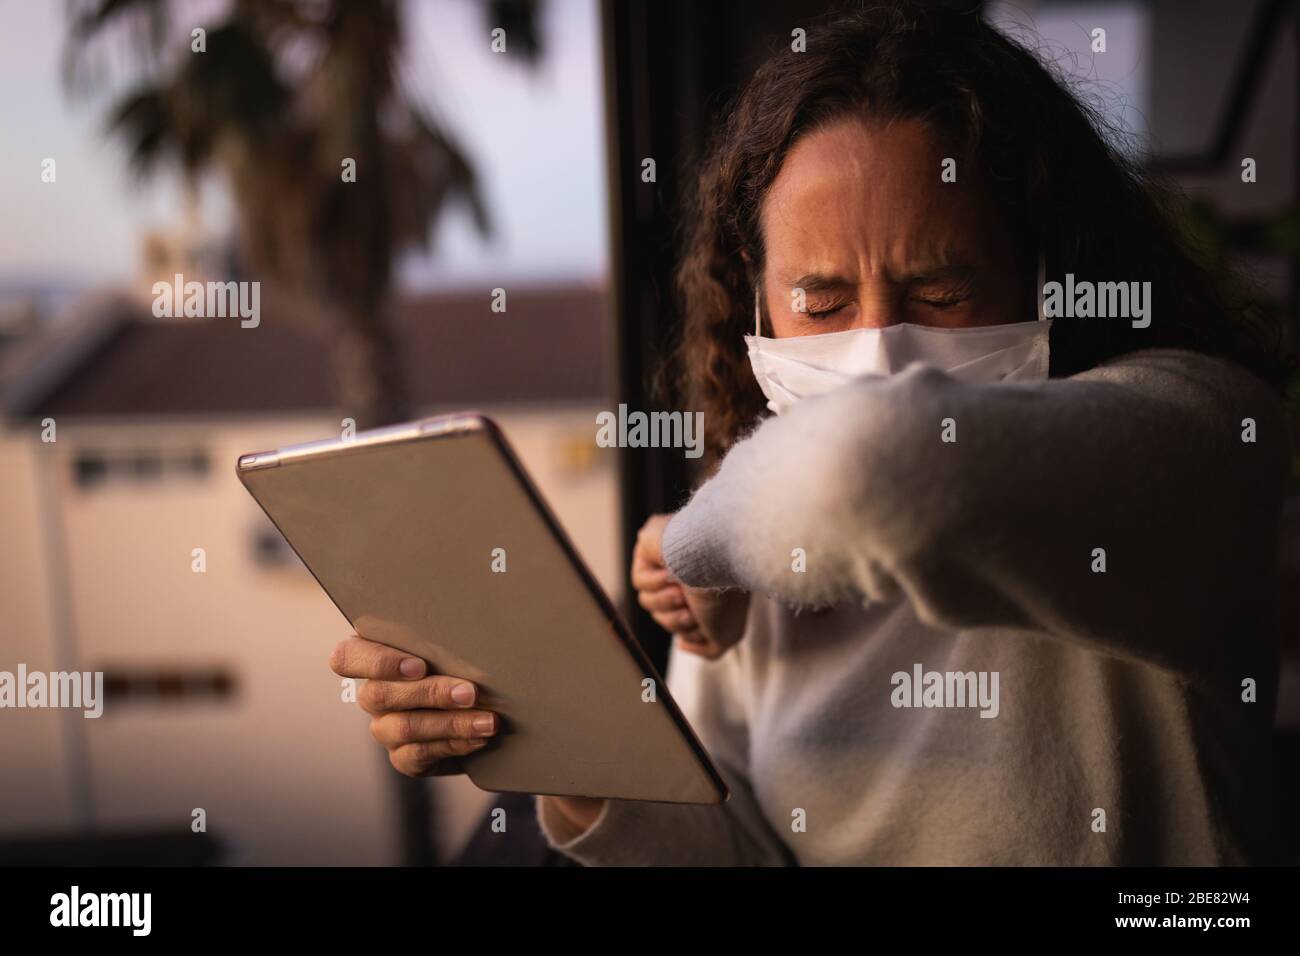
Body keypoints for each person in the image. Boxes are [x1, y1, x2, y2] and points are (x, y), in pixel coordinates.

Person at [330, 2, 1294, 865]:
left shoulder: (1198, 428)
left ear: (1050, 270)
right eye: (822, 302)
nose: (878, 354)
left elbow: (873, 466)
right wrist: (556, 742)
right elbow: (735, 849)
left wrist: (697, 549)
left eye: (941, 292)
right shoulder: (759, 508)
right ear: (755, 303)